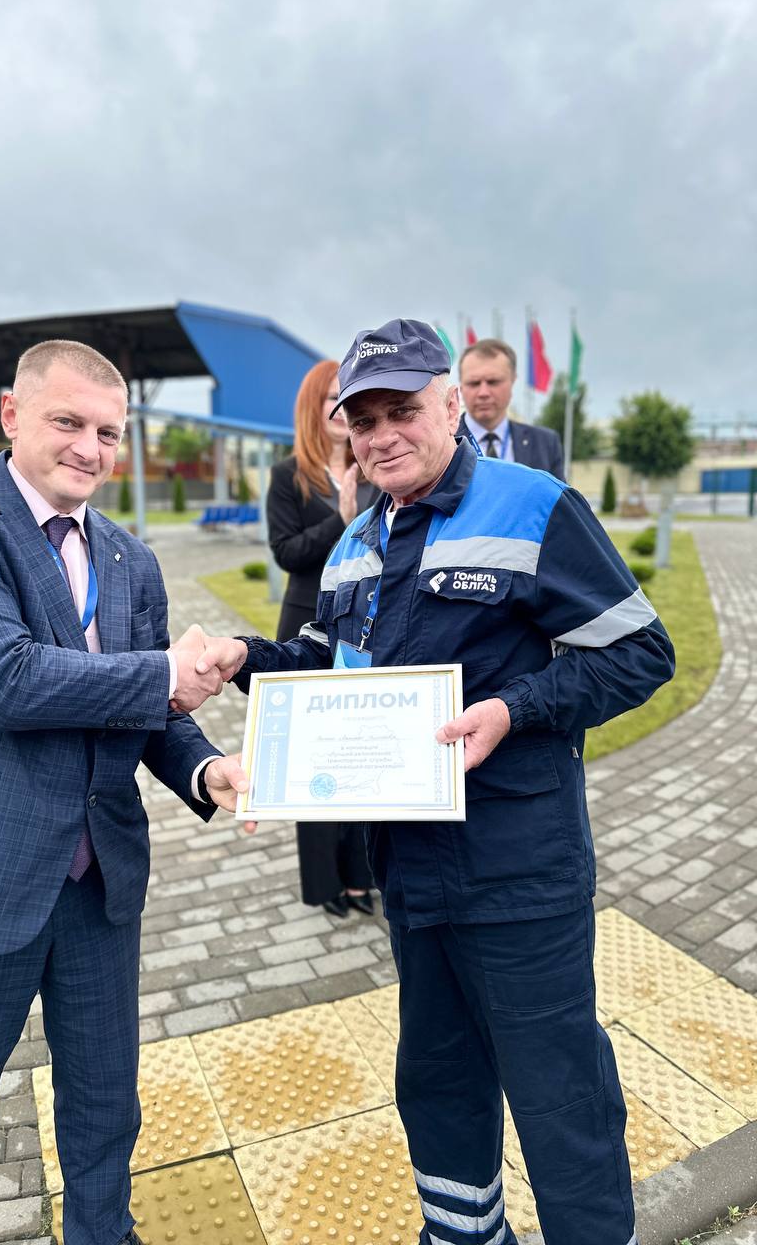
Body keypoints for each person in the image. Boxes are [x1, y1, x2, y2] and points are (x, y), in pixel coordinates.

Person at [196, 318, 675, 1245]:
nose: (382, 436)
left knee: (558, 1090)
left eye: (403, 411)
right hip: (409, 870)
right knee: (438, 1079)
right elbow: (332, 662)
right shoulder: (355, 540)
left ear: (452, 405)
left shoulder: (532, 505)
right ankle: (462, 1234)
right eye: (363, 419)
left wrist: (515, 710)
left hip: (517, 868)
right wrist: (245, 657)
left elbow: (641, 653)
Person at [0, 340, 245, 1245]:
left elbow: (149, 713)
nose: (90, 447)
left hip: (96, 884)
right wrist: (165, 674)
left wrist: (205, 768)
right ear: (12, 416)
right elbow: (3, 681)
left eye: (109, 433)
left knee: (106, 1106)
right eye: (68, 422)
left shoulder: (131, 559)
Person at [267, 358, 378, 918]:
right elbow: (286, 552)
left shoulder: (376, 466)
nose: (339, 407)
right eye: (330, 397)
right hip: (305, 623)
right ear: (312, 407)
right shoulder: (289, 475)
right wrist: (342, 517)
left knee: (360, 749)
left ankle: (361, 875)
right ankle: (324, 882)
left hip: (364, 624)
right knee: (313, 758)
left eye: (346, 396)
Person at [458, 338, 565, 479]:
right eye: (474, 383)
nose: (483, 393)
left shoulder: (545, 444)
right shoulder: (443, 443)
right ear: (461, 387)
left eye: (493, 382)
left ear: (513, 381)